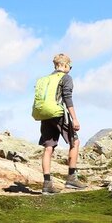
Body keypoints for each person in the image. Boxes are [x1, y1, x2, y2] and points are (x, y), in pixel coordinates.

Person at [38, 54, 87, 194]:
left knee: (48, 147)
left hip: (45, 114)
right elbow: (67, 98)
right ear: (65, 65)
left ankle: (47, 183)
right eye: (70, 66)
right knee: (75, 142)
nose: (70, 69)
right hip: (59, 114)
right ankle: (71, 178)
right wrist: (75, 119)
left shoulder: (46, 79)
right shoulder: (66, 78)